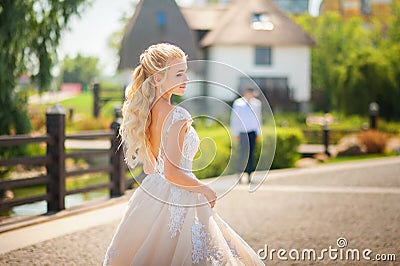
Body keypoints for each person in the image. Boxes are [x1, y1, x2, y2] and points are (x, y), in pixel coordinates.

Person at [103, 43, 264, 265]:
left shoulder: (146, 115)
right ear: (158, 78)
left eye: (185, 72)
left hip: (151, 193)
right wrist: (204, 189)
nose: (186, 79)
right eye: (179, 74)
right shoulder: (178, 115)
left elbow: (151, 168)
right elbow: (171, 172)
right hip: (180, 194)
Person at [230, 87, 262, 184]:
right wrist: (235, 133)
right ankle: (239, 174)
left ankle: (249, 175)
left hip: (252, 132)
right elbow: (234, 119)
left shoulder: (257, 104)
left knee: (251, 155)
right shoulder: (238, 103)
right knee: (242, 154)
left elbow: (258, 118)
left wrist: (258, 132)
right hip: (242, 132)